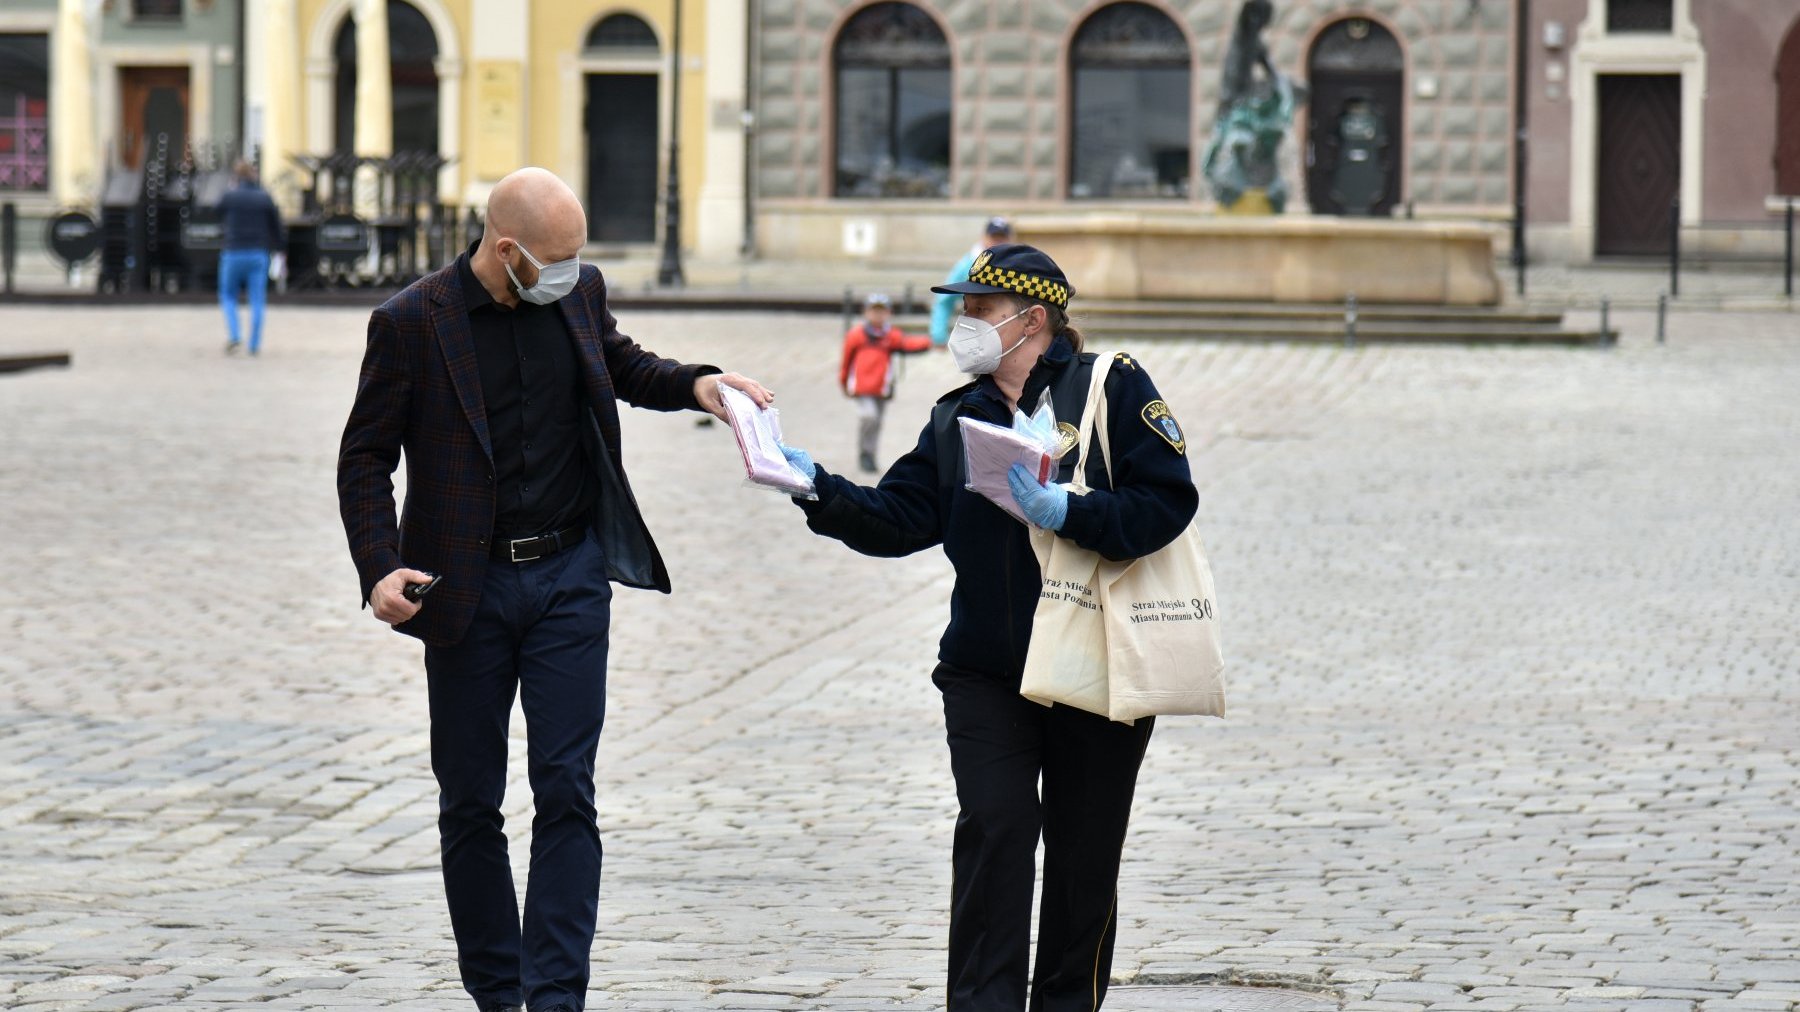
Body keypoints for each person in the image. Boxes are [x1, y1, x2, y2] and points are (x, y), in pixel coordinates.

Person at [336, 166, 774, 1012]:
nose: (577, 271)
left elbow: (620, 363)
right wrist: (378, 565)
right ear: (507, 251)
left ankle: (555, 997)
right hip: (462, 590)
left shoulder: (576, 291)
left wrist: (698, 384)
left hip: (570, 577)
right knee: (470, 799)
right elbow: (365, 457)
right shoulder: (410, 324)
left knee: (567, 786)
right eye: (560, 257)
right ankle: (499, 994)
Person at [777, 244, 1198, 1011]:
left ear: (1032, 320)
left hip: (1097, 664)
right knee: (995, 835)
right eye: (964, 308)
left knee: (1082, 862)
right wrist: (815, 488)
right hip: (987, 671)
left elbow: (1168, 501)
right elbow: (899, 516)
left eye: (978, 309)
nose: (962, 322)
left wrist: (1075, 512)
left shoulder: (1111, 386)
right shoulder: (957, 417)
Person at [840, 291, 933, 472]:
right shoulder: (856, 335)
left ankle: (870, 454)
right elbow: (846, 362)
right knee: (869, 417)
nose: (878, 315)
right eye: (874, 311)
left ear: (888, 313)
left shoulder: (891, 335)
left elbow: (907, 344)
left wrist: (931, 342)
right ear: (866, 312)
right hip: (862, 387)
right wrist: (844, 383)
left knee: (877, 422)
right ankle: (865, 452)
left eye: (882, 311)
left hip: (882, 388)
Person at [217, 160, 284, 355]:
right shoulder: (264, 197)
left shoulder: (230, 196)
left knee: (228, 295)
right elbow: (276, 225)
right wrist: (280, 248)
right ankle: (254, 344)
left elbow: (214, 211)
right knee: (257, 299)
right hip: (257, 253)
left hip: (233, 251)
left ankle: (235, 335)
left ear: (236, 177)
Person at [929, 216, 1013, 346]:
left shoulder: (1016, 265)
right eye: (994, 237)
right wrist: (939, 336)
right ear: (984, 237)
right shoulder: (967, 265)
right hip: (975, 337)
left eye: (1001, 238)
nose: (998, 242)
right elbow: (944, 300)